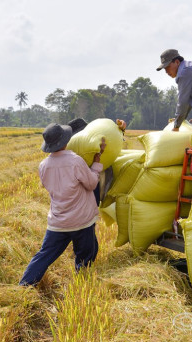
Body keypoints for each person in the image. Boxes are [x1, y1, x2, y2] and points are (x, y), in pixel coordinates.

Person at [19, 123, 105, 286]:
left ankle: (24, 285)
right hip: (81, 221)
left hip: (58, 222)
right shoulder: (75, 161)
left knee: (44, 255)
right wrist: (96, 164)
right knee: (85, 256)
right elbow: (92, 184)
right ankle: (81, 287)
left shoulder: (43, 165)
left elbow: (47, 186)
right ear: (66, 142)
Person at [67, 117, 127, 205]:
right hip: (82, 199)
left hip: (95, 192)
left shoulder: (95, 144)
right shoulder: (70, 159)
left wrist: (121, 130)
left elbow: (114, 141)